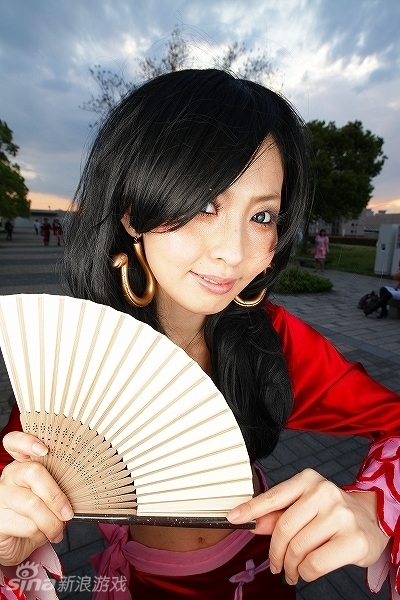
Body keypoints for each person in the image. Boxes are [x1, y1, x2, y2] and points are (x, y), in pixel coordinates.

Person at [0, 69, 399, 600]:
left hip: (266, 573)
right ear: (132, 211)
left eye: (262, 215)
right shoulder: (68, 364)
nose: (233, 252)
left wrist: (375, 504)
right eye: (206, 204)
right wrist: (8, 544)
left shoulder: (273, 341)